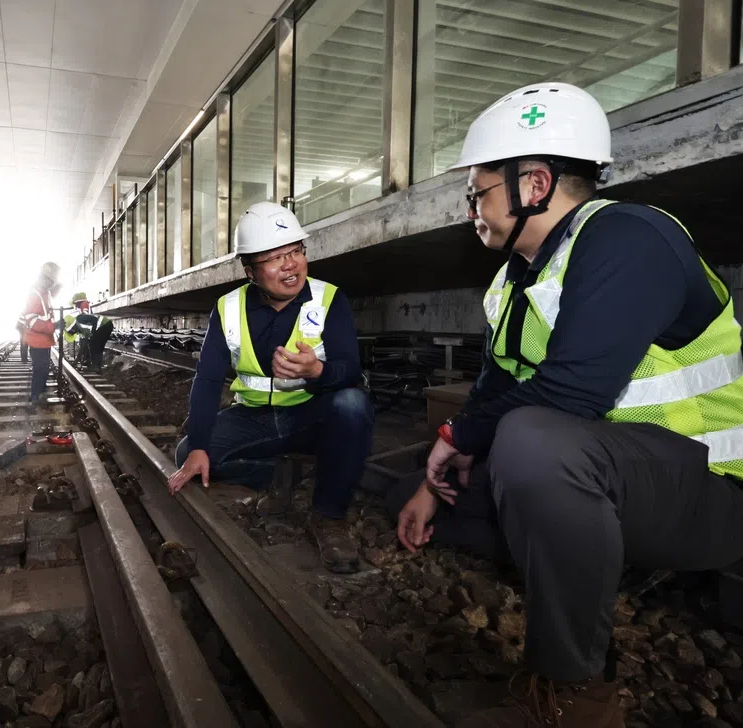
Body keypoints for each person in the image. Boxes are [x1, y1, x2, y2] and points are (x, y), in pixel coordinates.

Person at [388, 82, 743, 728]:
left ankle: (578, 694)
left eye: (478, 192)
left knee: (530, 444)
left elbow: (572, 392)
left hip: (709, 487)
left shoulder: (629, 239)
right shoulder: (515, 280)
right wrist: (438, 468)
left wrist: (460, 437)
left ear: (535, 184)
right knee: (421, 482)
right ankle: (562, 563)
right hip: (610, 473)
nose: (471, 208)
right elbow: (495, 387)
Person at [168, 202, 375, 573]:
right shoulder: (228, 308)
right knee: (188, 454)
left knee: (352, 405)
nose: (290, 265)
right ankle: (276, 474)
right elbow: (208, 379)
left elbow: (350, 370)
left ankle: (328, 516)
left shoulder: (330, 299)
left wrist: (317, 371)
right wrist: (199, 444)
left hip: (308, 417)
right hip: (254, 419)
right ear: (250, 271)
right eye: (275, 258)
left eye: (295, 251)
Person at [23, 262, 61, 405]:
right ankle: (35, 397)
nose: (53, 284)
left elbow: (46, 316)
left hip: (44, 340)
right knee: (39, 369)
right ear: (45, 279)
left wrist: (55, 326)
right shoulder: (35, 295)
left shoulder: (45, 294)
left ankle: (40, 391)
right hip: (37, 340)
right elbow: (32, 320)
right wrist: (53, 326)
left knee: (43, 368)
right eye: (51, 281)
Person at [68, 293, 114, 370]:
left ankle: (95, 366)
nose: (76, 306)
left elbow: (84, 344)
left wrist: (76, 361)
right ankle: (96, 365)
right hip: (105, 324)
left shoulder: (81, 317)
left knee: (94, 345)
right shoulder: (80, 324)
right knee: (96, 345)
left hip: (103, 325)